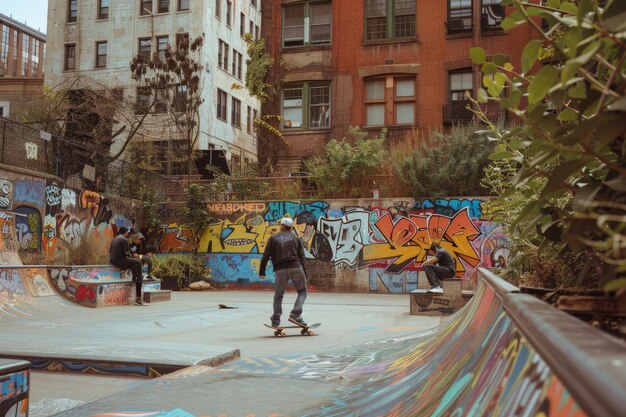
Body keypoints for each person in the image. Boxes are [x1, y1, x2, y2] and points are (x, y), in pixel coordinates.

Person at [259, 217, 308, 328]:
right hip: (295, 267)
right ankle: (295, 314)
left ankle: (276, 320)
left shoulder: (272, 238)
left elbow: (266, 256)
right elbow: (302, 256)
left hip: (280, 270)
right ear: (290, 228)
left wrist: (262, 271)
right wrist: (305, 273)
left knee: (278, 296)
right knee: (302, 292)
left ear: (281, 226)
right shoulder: (296, 238)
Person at [109, 226, 146, 305]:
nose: (128, 234)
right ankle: (138, 297)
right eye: (127, 233)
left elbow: (110, 251)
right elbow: (127, 255)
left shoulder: (114, 239)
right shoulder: (124, 240)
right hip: (119, 260)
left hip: (113, 260)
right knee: (138, 262)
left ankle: (134, 277)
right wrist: (134, 259)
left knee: (133, 263)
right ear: (125, 232)